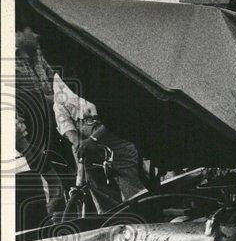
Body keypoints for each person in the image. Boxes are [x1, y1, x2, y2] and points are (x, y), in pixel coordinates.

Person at [52, 74, 145, 212]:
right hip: (82, 138)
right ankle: (112, 222)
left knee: (130, 182)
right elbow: (61, 114)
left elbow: (117, 110)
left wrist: (94, 138)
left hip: (110, 130)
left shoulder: (95, 67)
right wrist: (76, 141)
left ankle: (145, 216)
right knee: (96, 185)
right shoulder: (59, 78)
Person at [14, 18, 68, 217]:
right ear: (18, 33)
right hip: (30, 140)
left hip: (54, 127)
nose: (37, 36)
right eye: (33, 31)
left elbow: (56, 85)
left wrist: (50, 99)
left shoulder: (37, 53)